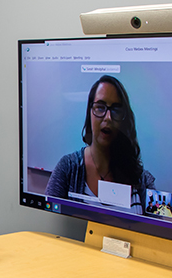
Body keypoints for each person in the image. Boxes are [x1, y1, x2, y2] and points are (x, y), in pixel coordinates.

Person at [46, 75, 155, 213]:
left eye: (115, 109)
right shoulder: (68, 168)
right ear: (89, 113)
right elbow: (48, 217)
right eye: (100, 107)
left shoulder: (142, 178)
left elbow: (160, 228)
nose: (108, 117)